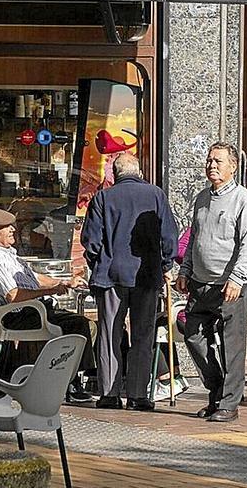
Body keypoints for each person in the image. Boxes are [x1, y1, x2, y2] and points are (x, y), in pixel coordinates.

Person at [81, 153, 178, 411]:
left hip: (111, 275)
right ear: (139, 171)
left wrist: (97, 263)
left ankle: (110, 394)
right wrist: (166, 265)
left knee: (109, 333)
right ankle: (137, 395)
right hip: (146, 275)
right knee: (143, 335)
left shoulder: (103, 197)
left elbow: (91, 240)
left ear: (115, 173)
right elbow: (169, 236)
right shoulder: (156, 195)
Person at [0, 207, 96, 404]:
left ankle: (69, 378)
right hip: (18, 315)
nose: (13, 229)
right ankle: (71, 384)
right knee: (78, 326)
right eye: (6, 227)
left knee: (87, 325)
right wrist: (51, 291)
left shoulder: (8, 254)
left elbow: (34, 278)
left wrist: (62, 283)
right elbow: (13, 295)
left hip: (31, 310)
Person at [177, 142, 247, 423]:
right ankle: (217, 390)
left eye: (218, 161)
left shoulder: (243, 199)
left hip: (230, 286)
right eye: (209, 160)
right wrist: (185, 271)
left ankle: (229, 403)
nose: (212, 165)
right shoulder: (201, 199)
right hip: (200, 283)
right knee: (193, 334)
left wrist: (237, 277)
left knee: (231, 345)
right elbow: (194, 240)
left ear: (233, 167)